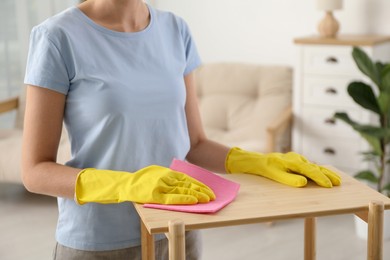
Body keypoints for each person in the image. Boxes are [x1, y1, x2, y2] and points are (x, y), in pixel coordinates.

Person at [21, 0, 341, 259]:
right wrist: (128, 184)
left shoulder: (175, 30)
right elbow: (35, 171)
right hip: (100, 243)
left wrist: (258, 162)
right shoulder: (57, 37)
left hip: (179, 233)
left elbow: (195, 143)